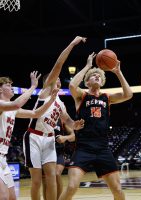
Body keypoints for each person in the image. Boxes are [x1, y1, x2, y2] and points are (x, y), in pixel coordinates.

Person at [58, 52, 133, 200]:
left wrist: (118, 72)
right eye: (93, 76)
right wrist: (87, 66)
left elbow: (128, 94)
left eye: (99, 76)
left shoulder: (107, 98)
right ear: (87, 82)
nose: (97, 76)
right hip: (84, 147)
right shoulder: (82, 96)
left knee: (118, 189)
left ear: (103, 81)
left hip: (102, 148)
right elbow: (72, 85)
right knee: (72, 186)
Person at [23, 36, 85, 200]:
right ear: (48, 82)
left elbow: (68, 121)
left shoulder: (61, 104)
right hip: (34, 136)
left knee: (51, 177)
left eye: (58, 78)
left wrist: (76, 125)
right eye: (54, 78)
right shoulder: (45, 93)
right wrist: (72, 44)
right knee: (36, 180)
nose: (58, 78)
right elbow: (59, 65)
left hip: (49, 139)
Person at [0, 71, 58, 200]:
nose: (11, 87)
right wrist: (32, 87)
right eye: (8, 85)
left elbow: (36, 113)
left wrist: (51, 101)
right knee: (3, 197)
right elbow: (16, 104)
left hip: (3, 158)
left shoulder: (13, 111)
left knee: (11, 198)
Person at [42, 119, 75, 200]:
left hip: (58, 152)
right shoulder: (42, 118)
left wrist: (65, 137)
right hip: (44, 152)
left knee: (56, 174)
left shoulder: (62, 121)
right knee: (45, 180)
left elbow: (73, 136)